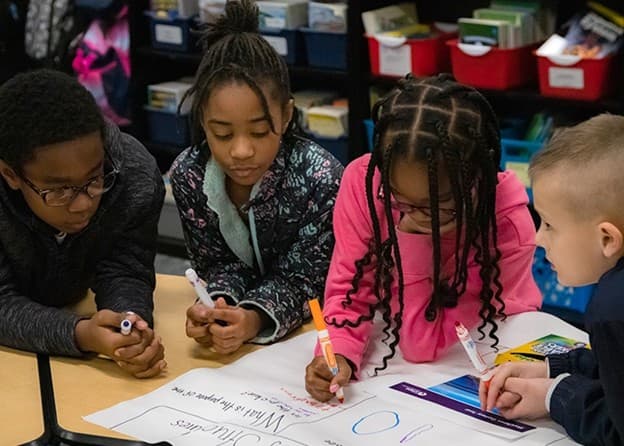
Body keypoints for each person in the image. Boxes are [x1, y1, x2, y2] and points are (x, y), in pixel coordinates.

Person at [305, 74, 542, 402]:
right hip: (403, 331)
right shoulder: (365, 185)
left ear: (473, 182)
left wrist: (412, 236)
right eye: (397, 199)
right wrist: (338, 355)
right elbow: (350, 290)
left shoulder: (504, 223)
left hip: (493, 338)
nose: (408, 213)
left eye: (436, 206)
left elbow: (421, 343)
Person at [170, 0, 343, 354]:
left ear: (287, 114)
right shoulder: (190, 175)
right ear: (202, 120)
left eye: (260, 131)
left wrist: (252, 318)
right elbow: (215, 264)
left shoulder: (321, 178)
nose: (241, 151)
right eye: (222, 133)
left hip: (306, 341)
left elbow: (307, 279)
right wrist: (216, 306)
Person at [0, 69, 166, 378]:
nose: (84, 203)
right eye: (59, 190)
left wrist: (129, 326)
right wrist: (80, 334)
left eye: (95, 177)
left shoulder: (134, 174)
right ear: (10, 175)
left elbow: (124, 269)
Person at [479, 114, 624, 445]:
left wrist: (555, 396)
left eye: (549, 224)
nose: (538, 239)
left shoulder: (612, 308)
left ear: (607, 240)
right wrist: (553, 368)